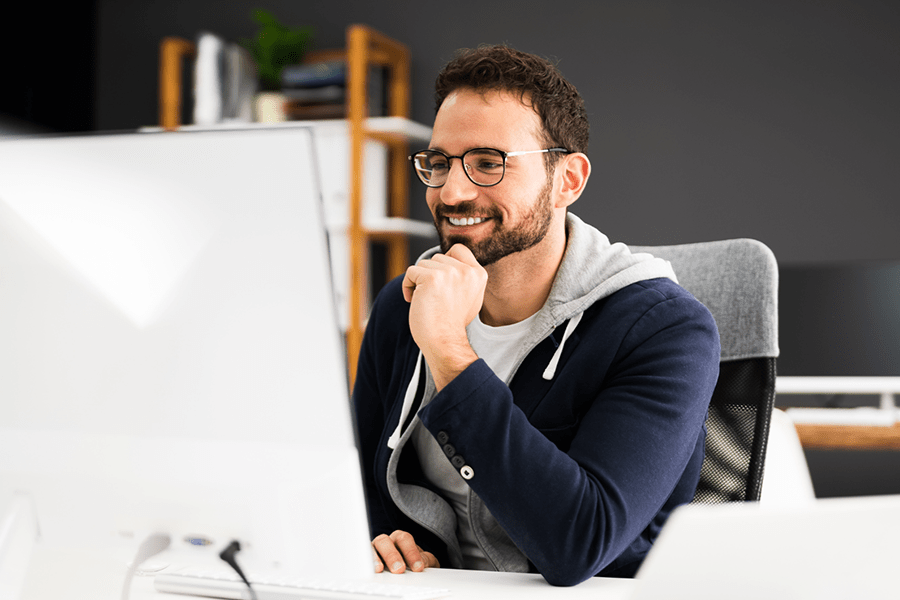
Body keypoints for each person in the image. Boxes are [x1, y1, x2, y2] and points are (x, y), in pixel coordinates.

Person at [351, 45, 720, 587]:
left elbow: (579, 543)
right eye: (438, 163)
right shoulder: (405, 302)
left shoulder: (665, 329)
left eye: (487, 163)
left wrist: (451, 354)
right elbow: (366, 484)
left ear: (567, 180)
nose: (452, 192)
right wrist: (393, 545)